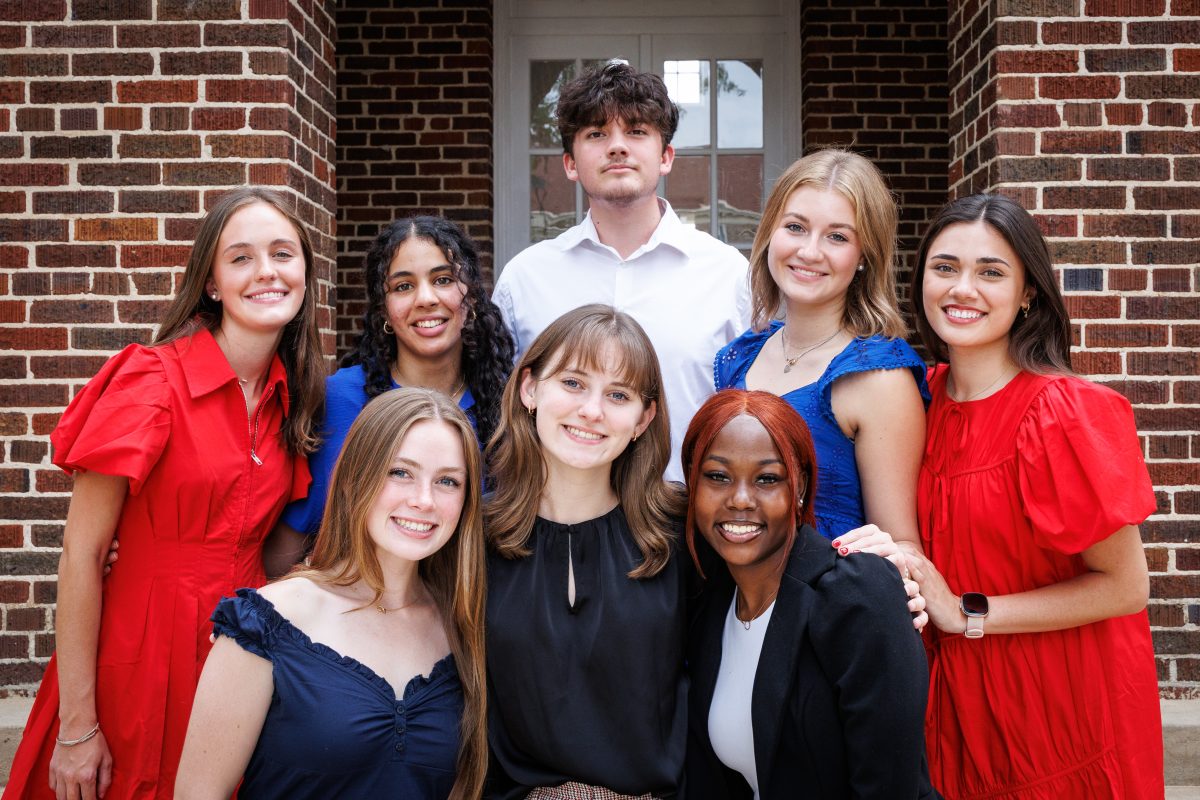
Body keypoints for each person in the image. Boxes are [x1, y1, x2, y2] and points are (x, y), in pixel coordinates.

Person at [4, 188, 324, 800]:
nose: (266, 272)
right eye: (241, 258)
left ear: (305, 273)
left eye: (283, 254)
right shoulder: (151, 380)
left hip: (242, 662)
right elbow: (83, 556)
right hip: (138, 657)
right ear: (210, 283)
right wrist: (76, 727)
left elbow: (278, 556)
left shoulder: (293, 401)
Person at [907, 194, 1162, 799]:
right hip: (959, 705)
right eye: (944, 267)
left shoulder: (1062, 412)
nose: (962, 288)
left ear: (1027, 294)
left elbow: (1127, 586)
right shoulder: (917, 399)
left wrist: (967, 614)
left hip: (1061, 706)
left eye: (990, 272)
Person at [176, 388, 487, 800]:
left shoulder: (463, 625)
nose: (424, 500)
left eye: (448, 481)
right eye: (401, 472)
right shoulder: (268, 622)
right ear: (358, 476)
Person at [492, 60, 750, 480]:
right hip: (553, 522)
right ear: (570, 164)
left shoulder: (728, 276)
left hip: (684, 523)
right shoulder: (524, 279)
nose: (617, 146)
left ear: (665, 156)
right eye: (597, 133)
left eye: (636, 131)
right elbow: (502, 414)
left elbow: (750, 409)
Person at [681, 389, 938, 799]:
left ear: (799, 488)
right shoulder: (708, 598)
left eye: (767, 479)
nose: (740, 499)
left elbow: (890, 787)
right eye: (717, 476)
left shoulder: (856, 595)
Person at [484, 304, 688, 798]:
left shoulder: (684, 532)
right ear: (530, 389)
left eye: (618, 395)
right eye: (573, 383)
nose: (592, 411)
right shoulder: (471, 535)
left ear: (644, 419)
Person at [267, 216, 514, 574]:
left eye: (443, 280)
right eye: (403, 286)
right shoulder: (337, 402)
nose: (426, 299)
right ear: (384, 309)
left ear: (471, 295)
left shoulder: (508, 408)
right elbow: (285, 549)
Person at [714, 150, 929, 551]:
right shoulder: (739, 357)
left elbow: (900, 546)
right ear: (771, 233)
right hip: (727, 598)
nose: (810, 252)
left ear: (864, 255)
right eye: (795, 227)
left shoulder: (877, 378)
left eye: (837, 236)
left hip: (823, 601)